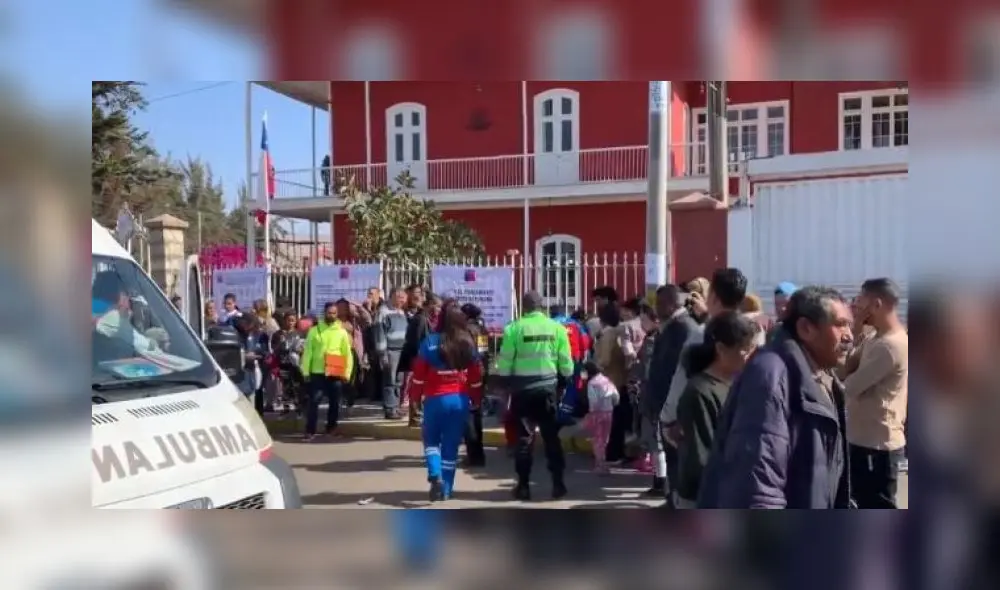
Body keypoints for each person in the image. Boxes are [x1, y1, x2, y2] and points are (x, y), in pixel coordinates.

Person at [697, 286, 854, 509]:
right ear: (806, 328)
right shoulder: (770, 376)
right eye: (840, 324)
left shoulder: (822, 377)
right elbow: (758, 485)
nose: (850, 336)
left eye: (850, 324)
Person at [494, 291, 575, 501]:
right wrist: (564, 381)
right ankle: (558, 484)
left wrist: (504, 382)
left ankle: (523, 486)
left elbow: (505, 362)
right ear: (541, 306)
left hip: (522, 391)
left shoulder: (514, 328)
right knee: (551, 438)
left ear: (524, 306)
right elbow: (565, 361)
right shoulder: (556, 328)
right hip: (548, 389)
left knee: (523, 439)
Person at [674, 311, 758, 508]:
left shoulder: (738, 383)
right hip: (704, 497)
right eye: (745, 350)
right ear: (721, 349)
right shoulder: (699, 392)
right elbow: (702, 459)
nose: (750, 356)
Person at [841, 278, 908, 508]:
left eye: (860, 302)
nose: (856, 307)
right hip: (862, 440)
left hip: (877, 445)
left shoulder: (890, 346)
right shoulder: (873, 337)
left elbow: (848, 387)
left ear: (877, 304)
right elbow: (843, 369)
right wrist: (856, 329)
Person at [406, 306, 484, 501]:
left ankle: (435, 473)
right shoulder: (467, 343)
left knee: (431, 440)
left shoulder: (430, 342)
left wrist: (414, 399)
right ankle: (446, 490)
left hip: (434, 400)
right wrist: (476, 399)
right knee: (451, 447)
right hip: (459, 401)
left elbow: (418, 377)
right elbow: (476, 378)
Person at [641, 284, 699, 500]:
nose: (655, 309)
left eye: (659, 303)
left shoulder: (683, 328)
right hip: (666, 405)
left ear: (671, 303)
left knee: (676, 459)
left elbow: (674, 371)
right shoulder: (672, 327)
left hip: (675, 408)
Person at [299, 301, 354, 441]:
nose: (332, 315)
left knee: (335, 402)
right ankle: (310, 430)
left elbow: (347, 353)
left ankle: (331, 428)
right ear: (325, 313)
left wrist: (347, 373)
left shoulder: (342, 332)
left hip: (335, 370)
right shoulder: (314, 330)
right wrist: (305, 371)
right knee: (314, 401)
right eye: (329, 313)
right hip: (317, 371)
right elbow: (308, 353)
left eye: (334, 313)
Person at [593, 302, 632, 464]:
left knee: (609, 422)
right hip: (620, 381)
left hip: (608, 382)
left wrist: (597, 366)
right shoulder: (621, 331)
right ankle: (617, 452)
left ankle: (611, 454)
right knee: (618, 421)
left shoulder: (607, 334)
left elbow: (604, 360)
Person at [399, 293, 442, 427]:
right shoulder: (421, 319)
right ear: (430, 305)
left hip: (421, 358)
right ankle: (415, 417)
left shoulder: (424, 318)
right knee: (417, 388)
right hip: (418, 358)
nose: (439, 310)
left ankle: (418, 416)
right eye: (437, 306)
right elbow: (418, 341)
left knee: (421, 388)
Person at [375, 287, 410, 419]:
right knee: (389, 380)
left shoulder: (401, 312)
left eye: (403, 297)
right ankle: (390, 409)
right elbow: (379, 334)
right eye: (399, 296)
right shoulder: (383, 312)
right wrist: (382, 353)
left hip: (402, 351)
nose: (401, 299)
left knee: (398, 381)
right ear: (391, 296)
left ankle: (395, 406)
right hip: (390, 351)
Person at [460, 303, 489, 467]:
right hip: (481, 373)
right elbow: (484, 353)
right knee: (477, 415)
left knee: (469, 417)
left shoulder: (465, 331)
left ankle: (474, 455)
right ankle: (479, 454)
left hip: (469, 375)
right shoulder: (481, 329)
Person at [582, 360, 620, 474]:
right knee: (605, 439)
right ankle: (604, 464)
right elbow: (616, 396)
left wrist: (591, 413)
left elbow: (593, 401)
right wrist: (611, 405)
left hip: (597, 414)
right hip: (609, 412)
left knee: (597, 440)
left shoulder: (592, 383)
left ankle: (600, 465)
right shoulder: (606, 380)